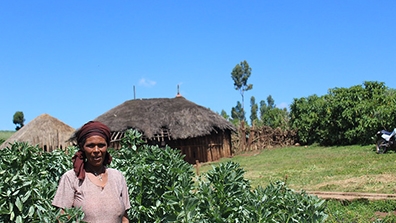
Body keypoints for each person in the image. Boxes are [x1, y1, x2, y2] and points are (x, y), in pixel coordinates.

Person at [52, 121, 131, 222]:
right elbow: (61, 219)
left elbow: (125, 218)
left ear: (107, 146)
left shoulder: (117, 177)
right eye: (91, 145)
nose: (96, 150)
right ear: (82, 147)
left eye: (101, 145)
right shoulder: (71, 178)